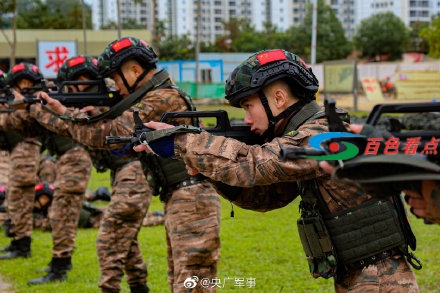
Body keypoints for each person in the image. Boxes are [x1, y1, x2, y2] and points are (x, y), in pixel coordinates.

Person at [134, 49, 420, 292]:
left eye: (248, 106)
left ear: (279, 99)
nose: (246, 120)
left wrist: (182, 141)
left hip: (381, 279)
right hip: (362, 276)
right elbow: (270, 197)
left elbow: (254, 165)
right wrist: (207, 167)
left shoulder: (322, 135)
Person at [29, 37, 221, 293]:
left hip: (192, 197)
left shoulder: (162, 98)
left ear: (134, 69)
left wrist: (60, 112)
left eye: (117, 78)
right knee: (183, 281)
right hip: (182, 195)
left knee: (192, 283)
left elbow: (110, 133)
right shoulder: (158, 95)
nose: (116, 87)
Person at [0, 63, 44, 260]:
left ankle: (22, 245)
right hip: (19, 151)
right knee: (15, 199)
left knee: (21, 199)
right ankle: (18, 241)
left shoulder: (31, 105)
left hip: (26, 151)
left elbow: (13, 121)